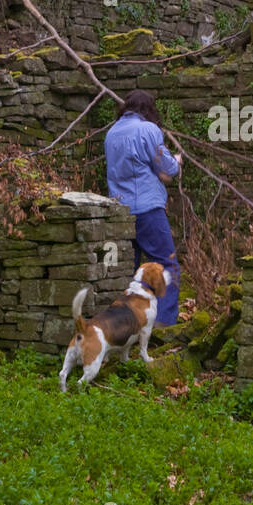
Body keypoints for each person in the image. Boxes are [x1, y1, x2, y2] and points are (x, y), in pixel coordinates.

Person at [104, 90, 182, 327]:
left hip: (120, 211)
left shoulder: (111, 133)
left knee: (130, 269)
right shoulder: (148, 130)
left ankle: (128, 325)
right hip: (147, 209)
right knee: (166, 265)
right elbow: (166, 169)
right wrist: (177, 161)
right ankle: (163, 324)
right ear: (149, 110)